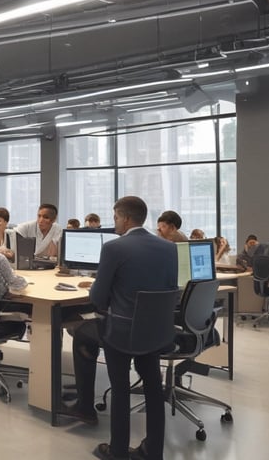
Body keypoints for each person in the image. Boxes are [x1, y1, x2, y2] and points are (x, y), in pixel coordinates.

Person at [90, 196, 178, 460]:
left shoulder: (115, 248)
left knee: (120, 388)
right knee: (153, 386)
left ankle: (118, 452)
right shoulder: (169, 248)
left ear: (126, 218)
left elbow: (97, 297)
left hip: (123, 332)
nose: (114, 222)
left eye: (116, 217)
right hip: (156, 331)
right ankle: (153, 451)